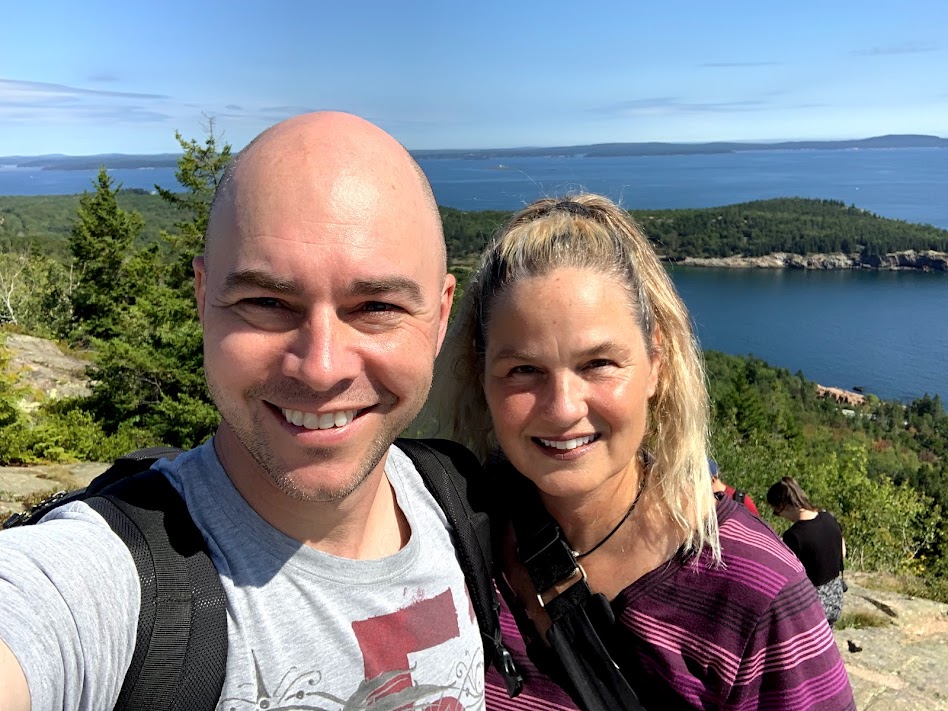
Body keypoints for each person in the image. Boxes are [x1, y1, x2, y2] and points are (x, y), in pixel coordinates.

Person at [0, 113, 493, 710]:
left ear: (440, 318)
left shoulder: (463, 505)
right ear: (203, 297)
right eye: (266, 302)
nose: (321, 367)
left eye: (376, 306)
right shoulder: (111, 585)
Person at [428, 194, 855, 709]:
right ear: (482, 377)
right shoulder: (447, 535)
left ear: (657, 364)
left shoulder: (756, 596)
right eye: (523, 370)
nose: (563, 408)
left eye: (599, 363)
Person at [767, 476, 847, 626]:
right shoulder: (828, 517)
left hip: (811, 604)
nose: (780, 517)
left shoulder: (794, 535)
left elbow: (787, 576)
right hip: (836, 596)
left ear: (784, 505)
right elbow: (842, 552)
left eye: (777, 512)